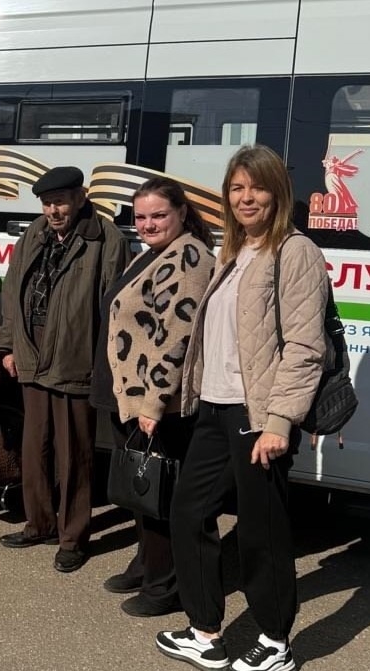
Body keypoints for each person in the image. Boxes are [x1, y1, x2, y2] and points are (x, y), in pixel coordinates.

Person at [156, 145, 329, 671]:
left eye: (256, 187)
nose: (245, 197)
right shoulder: (234, 250)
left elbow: (305, 346)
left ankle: (275, 643)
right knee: (188, 513)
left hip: (258, 416)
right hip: (215, 407)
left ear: (278, 192)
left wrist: (280, 422)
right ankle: (206, 633)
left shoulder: (295, 251)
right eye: (236, 188)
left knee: (261, 531)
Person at [0, 166, 130, 572]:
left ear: (80, 198)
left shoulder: (106, 239)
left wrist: (105, 365)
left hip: (75, 359)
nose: (53, 211)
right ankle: (38, 523)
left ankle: (72, 537)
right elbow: (12, 291)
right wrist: (7, 344)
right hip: (32, 357)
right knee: (34, 448)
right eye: (47, 204)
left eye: (60, 202)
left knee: (75, 455)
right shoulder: (34, 233)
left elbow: (117, 308)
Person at [89, 177, 215, 617]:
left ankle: (166, 586)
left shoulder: (191, 258)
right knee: (139, 487)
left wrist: (153, 403)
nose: (147, 224)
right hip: (130, 396)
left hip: (157, 403)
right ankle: (146, 564)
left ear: (182, 212)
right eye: (140, 217)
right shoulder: (152, 253)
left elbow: (176, 339)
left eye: (158, 215)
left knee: (159, 492)